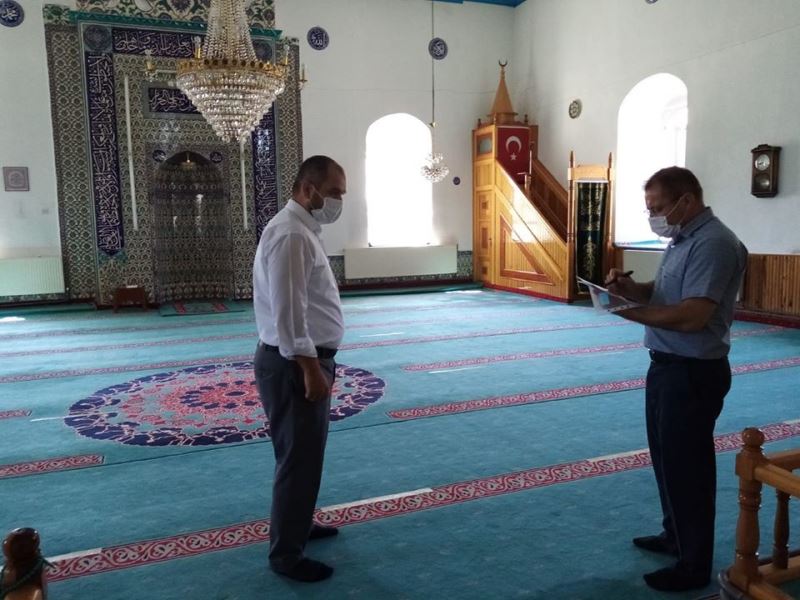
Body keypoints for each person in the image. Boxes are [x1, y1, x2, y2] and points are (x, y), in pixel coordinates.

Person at [605, 166, 747, 592]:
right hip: (667, 366)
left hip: (692, 372)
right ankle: (675, 536)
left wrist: (627, 312)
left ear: (686, 200)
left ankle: (693, 564)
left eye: (657, 207)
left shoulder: (714, 243)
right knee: (667, 460)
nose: (654, 216)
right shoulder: (682, 238)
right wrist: (630, 291)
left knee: (688, 469)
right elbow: (664, 294)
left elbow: (692, 316)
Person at [253, 155, 346, 583]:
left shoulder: (302, 230)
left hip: (300, 360)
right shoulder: (291, 234)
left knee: (302, 455)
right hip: (295, 364)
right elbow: (289, 315)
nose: (338, 202)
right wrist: (311, 370)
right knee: (298, 459)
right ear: (308, 190)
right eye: (334, 193)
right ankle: (286, 556)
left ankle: (300, 524)